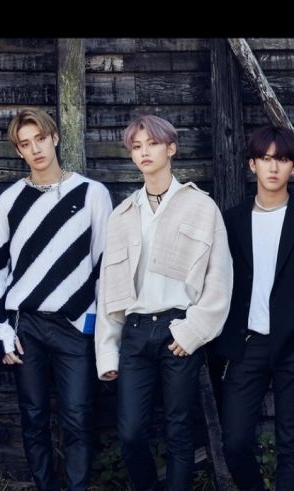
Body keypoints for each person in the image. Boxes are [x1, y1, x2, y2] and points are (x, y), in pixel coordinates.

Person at [95, 114, 233, 490]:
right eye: (136, 147)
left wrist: (193, 331)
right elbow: (109, 288)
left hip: (179, 332)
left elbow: (219, 281)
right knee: (131, 433)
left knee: (179, 432)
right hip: (136, 335)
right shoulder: (122, 215)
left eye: (152, 144)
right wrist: (107, 351)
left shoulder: (202, 208)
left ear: (170, 148)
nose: (144, 152)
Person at [0, 107, 112, 490]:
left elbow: (105, 264)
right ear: (18, 151)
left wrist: (95, 324)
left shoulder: (92, 194)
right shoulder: (6, 202)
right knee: (33, 416)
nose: (35, 148)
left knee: (77, 416)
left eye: (40, 138)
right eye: (25, 144)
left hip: (75, 326)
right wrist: (0, 330)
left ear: (55, 137)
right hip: (28, 328)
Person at [217, 125, 294, 491]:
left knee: (290, 444)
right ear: (252, 165)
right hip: (248, 343)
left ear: (292, 167)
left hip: (292, 342)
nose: (274, 167)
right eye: (266, 158)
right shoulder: (231, 221)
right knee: (234, 443)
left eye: (282, 158)